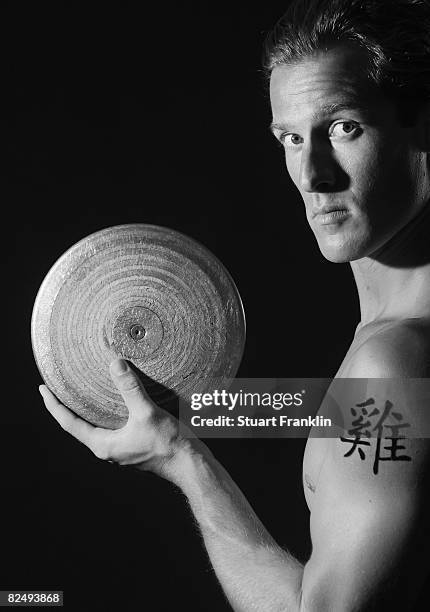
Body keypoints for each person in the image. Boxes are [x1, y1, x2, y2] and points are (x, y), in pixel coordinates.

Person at [39, 0, 430, 609]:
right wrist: (204, 412)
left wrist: (180, 460)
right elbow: (343, 420)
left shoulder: (393, 366)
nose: (312, 173)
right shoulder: (395, 348)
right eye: (290, 137)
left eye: (344, 127)